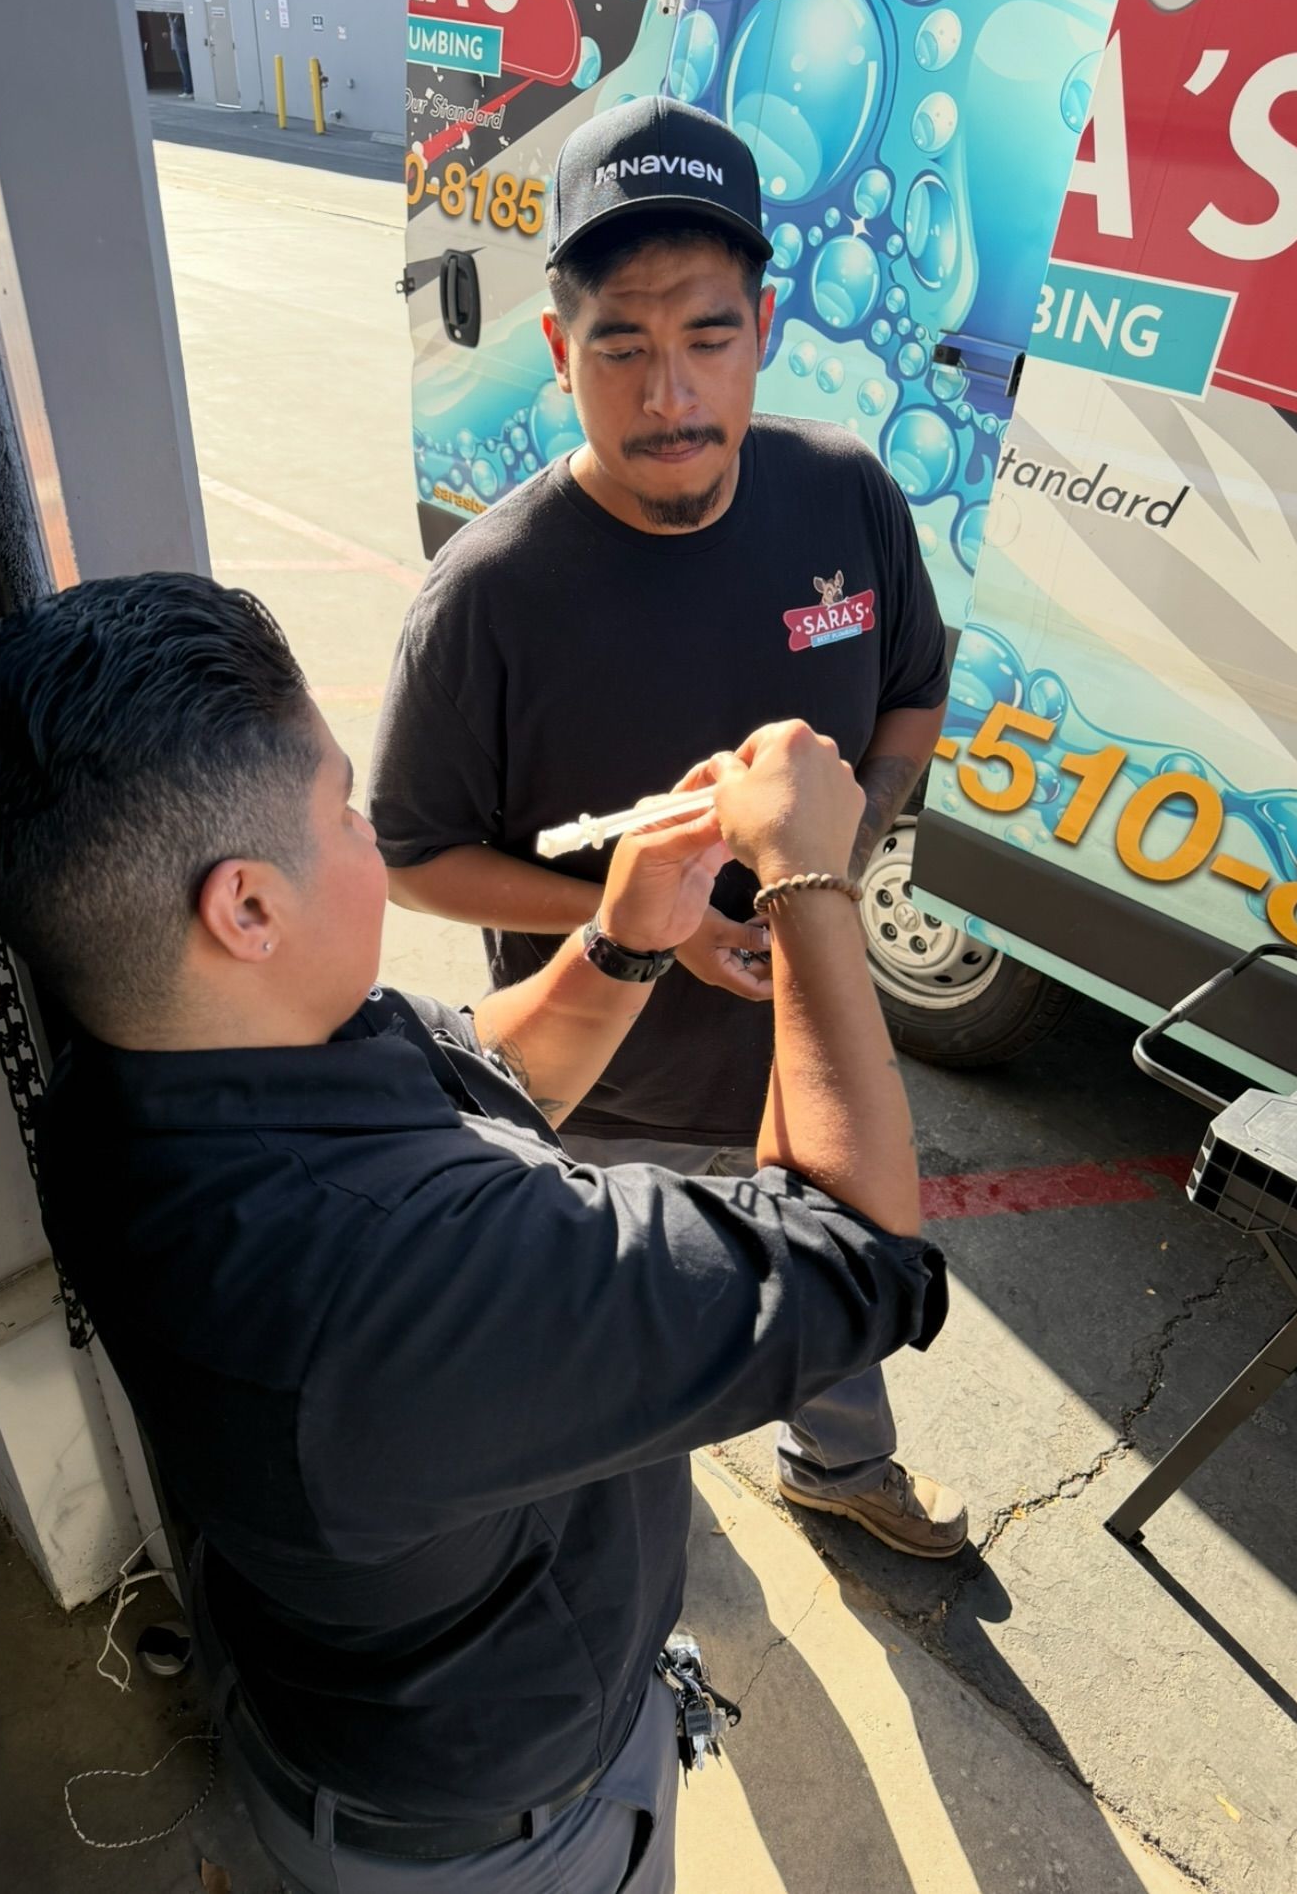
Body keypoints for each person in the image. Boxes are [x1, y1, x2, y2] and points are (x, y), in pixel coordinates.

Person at [0, 572, 945, 1894]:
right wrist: (810, 876)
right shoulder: (394, 1288)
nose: (363, 838)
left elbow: (481, 1083)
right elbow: (859, 1255)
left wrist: (625, 940)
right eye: (339, 810)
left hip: (333, 1716)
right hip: (498, 1831)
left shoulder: (134, 1083)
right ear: (245, 909)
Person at [371, 97, 966, 1557]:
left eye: (706, 336)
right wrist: (644, 926)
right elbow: (414, 853)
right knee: (620, 1400)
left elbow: (912, 698)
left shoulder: (844, 494)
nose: (670, 394)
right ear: (562, 352)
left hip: (811, 1054)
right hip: (606, 1097)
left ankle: (838, 1468)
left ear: (764, 326)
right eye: (622, 345)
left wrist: (834, 853)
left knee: (833, 1298)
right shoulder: (490, 598)